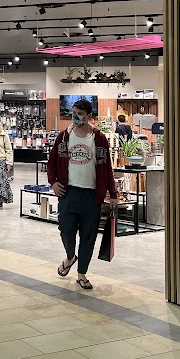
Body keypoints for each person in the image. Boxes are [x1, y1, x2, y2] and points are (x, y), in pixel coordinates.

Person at [47, 99, 118, 289]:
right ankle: (70, 257)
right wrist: (53, 182)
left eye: (80, 114)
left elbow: (107, 168)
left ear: (89, 117)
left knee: (88, 236)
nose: (76, 117)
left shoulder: (99, 138)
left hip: (91, 196)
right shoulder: (64, 136)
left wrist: (113, 193)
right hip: (68, 193)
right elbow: (52, 161)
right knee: (66, 230)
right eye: (74, 113)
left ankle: (82, 273)